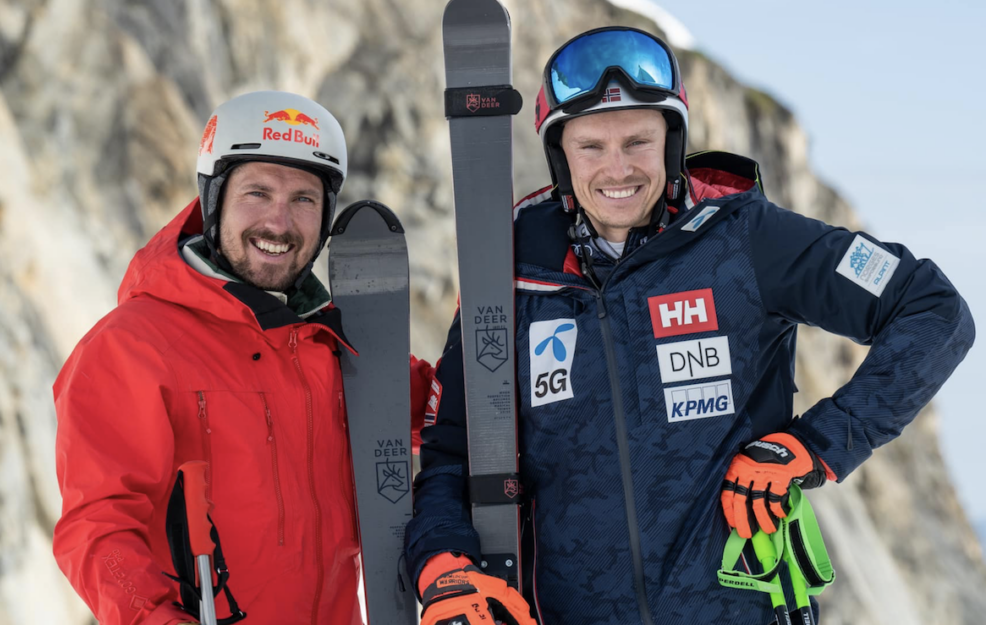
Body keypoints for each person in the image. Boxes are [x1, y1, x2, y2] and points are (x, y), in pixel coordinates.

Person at [405, 27, 975, 625]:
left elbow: (934, 309)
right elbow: (452, 454)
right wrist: (442, 567)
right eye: (591, 146)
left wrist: (812, 445)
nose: (617, 168)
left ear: (671, 141)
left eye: (638, 141)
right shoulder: (512, 270)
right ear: (560, 155)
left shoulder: (745, 239)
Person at [53, 90, 431, 625]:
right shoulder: (131, 349)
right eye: (257, 193)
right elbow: (98, 527)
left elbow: (452, 411)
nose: (279, 223)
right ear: (214, 201)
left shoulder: (330, 347)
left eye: (304, 199)